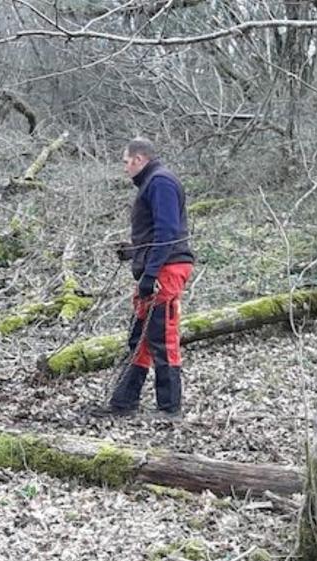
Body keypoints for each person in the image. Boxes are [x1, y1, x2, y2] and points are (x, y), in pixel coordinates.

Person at [105, 137, 194, 417]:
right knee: (140, 337)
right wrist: (133, 253)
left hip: (166, 270)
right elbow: (158, 233)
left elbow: (168, 233)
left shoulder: (160, 182)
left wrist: (151, 273)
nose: (124, 168)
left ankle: (170, 408)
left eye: (125, 161)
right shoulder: (153, 182)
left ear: (138, 159)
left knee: (161, 337)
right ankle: (124, 402)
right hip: (156, 268)